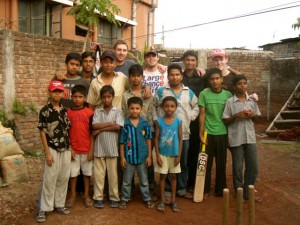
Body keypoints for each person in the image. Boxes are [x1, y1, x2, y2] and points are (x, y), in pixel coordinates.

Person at [155, 63, 199, 200]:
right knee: (167, 161)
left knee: (182, 162)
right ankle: (168, 187)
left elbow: (196, 106)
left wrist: (190, 117)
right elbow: (155, 107)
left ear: (181, 76)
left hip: (183, 134)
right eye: (172, 75)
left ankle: (181, 187)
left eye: (177, 74)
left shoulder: (188, 92)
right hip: (166, 136)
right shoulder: (162, 91)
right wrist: (158, 122)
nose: (174, 77)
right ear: (168, 77)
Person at [36, 80, 71, 223]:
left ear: (63, 93)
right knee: (50, 179)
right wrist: (47, 153)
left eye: (59, 91)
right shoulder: (45, 111)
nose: (57, 94)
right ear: (50, 92)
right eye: (54, 91)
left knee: (63, 178)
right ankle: (44, 208)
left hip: (66, 148)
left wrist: (71, 148)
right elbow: (42, 132)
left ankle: (60, 204)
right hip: (53, 148)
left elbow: (68, 130)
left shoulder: (64, 110)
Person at [222, 75, 261, 200]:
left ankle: (247, 191)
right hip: (236, 138)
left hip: (250, 137)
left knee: (253, 166)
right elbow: (225, 120)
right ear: (234, 86)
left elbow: (257, 118)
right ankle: (239, 191)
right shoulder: (230, 102)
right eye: (240, 84)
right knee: (238, 167)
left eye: (245, 83)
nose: (243, 86)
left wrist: (252, 115)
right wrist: (236, 116)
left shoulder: (252, 101)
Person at [198, 68, 232, 197]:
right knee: (204, 163)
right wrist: (201, 134)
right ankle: (204, 189)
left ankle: (220, 189)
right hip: (207, 134)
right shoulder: (204, 94)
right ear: (208, 81)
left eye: (217, 78)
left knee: (221, 163)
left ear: (221, 79)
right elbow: (202, 114)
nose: (215, 81)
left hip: (222, 134)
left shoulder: (228, 95)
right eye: (212, 79)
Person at [119, 97, 154, 209]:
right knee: (127, 181)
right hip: (128, 157)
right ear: (128, 109)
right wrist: (122, 157)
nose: (134, 110)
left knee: (144, 180)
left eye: (137, 108)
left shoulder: (145, 124)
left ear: (141, 109)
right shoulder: (125, 124)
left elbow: (148, 139)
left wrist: (149, 156)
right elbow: (122, 142)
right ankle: (125, 198)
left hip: (142, 157)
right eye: (132, 108)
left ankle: (147, 198)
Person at [92, 85, 124, 209]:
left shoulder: (118, 111)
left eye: (108, 97)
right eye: (104, 97)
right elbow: (94, 126)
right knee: (99, 175)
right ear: (101, 98)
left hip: (112, 148)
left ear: (112, 97)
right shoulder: (97, 111)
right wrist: (110, 124)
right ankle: (98, 197)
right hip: (99, 148)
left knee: (113, 175)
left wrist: (101, 129)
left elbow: (118, 127)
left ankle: (114, 197)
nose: (106, 99)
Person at [66, 85, 94, 208]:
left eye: (80, 97)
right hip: (73, 150)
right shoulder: (68, 113)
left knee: (87, 174)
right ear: (71, 97)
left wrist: (91, 150)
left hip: (87, 149)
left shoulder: (90, 113)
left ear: (85, 98)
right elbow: (66, 132)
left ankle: (86, 195)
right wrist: (70, 148)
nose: (77, 99)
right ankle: (72, 195)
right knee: (73, 174)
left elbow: (93, 133)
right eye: (75, 97)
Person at [181, 50, 206, 191]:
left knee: (194, 151)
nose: (190, 62)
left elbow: (221, 75)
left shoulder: (202, 77)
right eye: (187, 60)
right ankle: (181, 182)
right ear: (183, 61)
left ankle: (192, 182)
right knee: (183, 151)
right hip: (182, 119)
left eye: (193, 60)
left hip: (196, 120)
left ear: (196, 62)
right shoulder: (179, 76)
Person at [154, 96, 183, 213]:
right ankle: (162, 200)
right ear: (162, 107)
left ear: (176, 108)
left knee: (173, 177)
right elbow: (155, 139)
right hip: (162, 154)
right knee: (162, 177)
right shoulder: (159, 121)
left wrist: (179, 156)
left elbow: (181, 139)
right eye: (166, 106)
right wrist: (157, 155)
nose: (169, 109)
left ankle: (173, 200)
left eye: (172, 106)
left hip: (174, 154)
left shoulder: (178, 121)